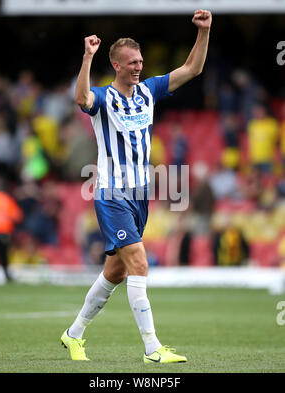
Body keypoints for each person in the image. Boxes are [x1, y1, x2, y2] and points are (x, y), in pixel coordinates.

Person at [61, 9, 212, 363]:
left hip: (139, 195)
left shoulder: (148, 91)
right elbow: (81, 99)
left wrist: (204, 32)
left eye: (140, 61)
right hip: (112, 194)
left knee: (115, 271)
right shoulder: (103, 99)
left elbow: (192, 69)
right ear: (116, 65)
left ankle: (73, 334)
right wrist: (86, 57)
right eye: (131, 62)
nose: (138, 67)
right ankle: (152, 349)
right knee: (140, 263)